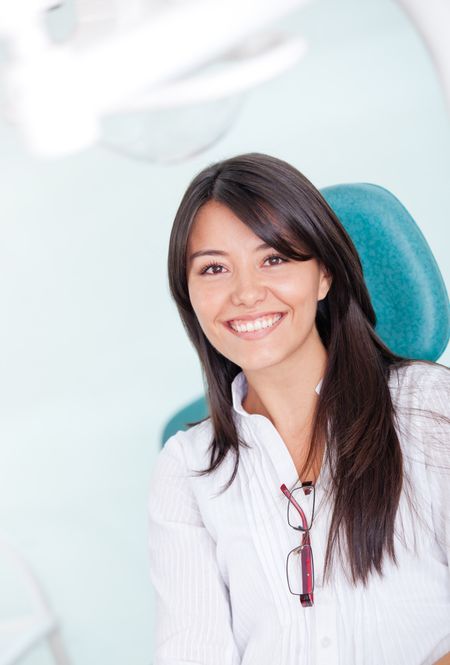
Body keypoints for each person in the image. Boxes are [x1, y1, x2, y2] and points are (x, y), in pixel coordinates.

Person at [147, 152, 450, 665]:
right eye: (215, 268)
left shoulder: (429, 408)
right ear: (190, 296)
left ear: (324, 276)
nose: (245, 293)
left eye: (274, 259)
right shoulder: (187, 468)